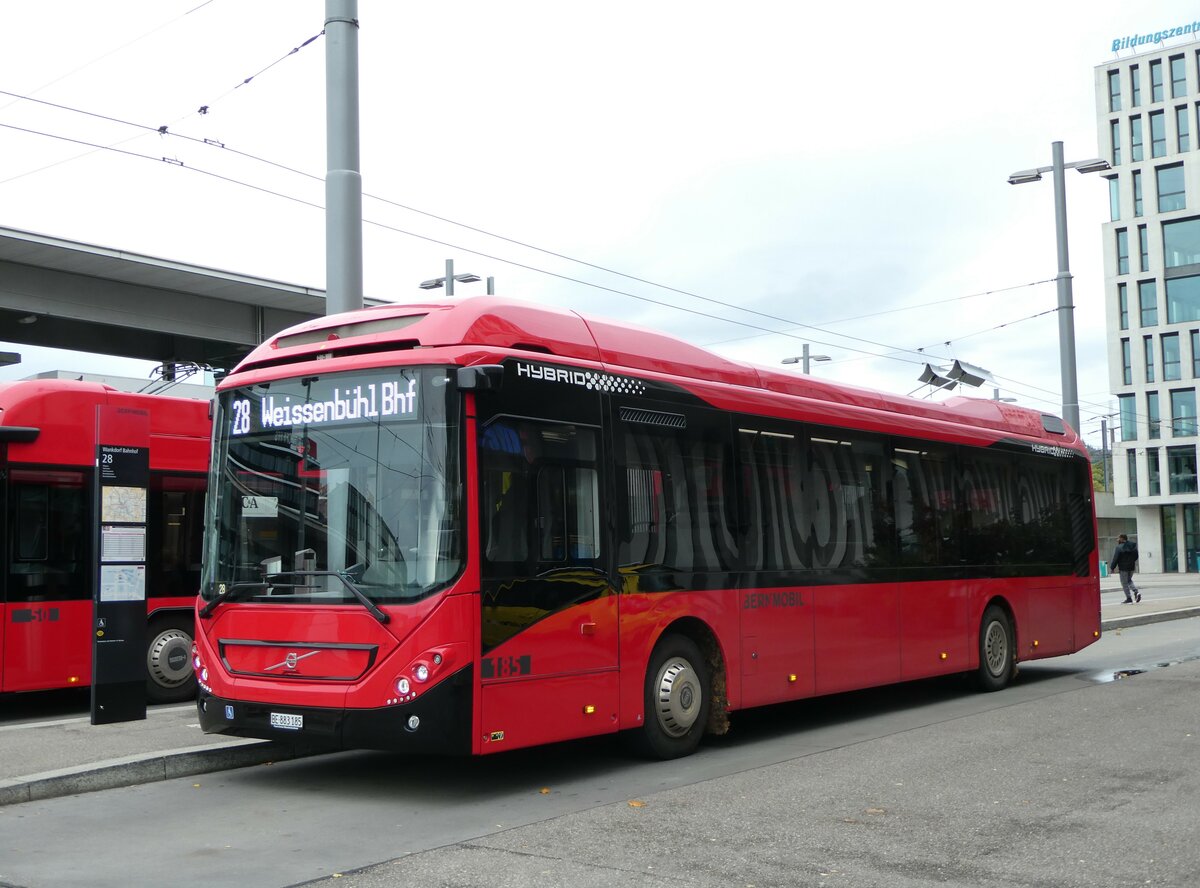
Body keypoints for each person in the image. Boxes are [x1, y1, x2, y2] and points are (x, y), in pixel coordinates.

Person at [1109, 533, 1141, 603]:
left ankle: (1129, 598)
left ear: (1122, 539)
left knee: (1124, 583)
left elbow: (1116, 558)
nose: (1117, 540)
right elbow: (1136, 556)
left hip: (1123, 568)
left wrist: (1112, 567)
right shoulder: (1133, 546)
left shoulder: (1119, 547)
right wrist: (1131, 561)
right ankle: (1136, 592)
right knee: (1129, 580)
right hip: (1131, 567)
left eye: (1118, 538)